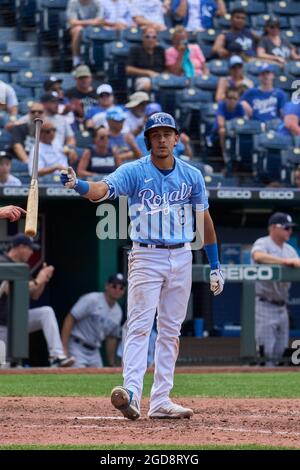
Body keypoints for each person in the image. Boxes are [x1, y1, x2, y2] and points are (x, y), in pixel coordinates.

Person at [60, 111, 224, 419]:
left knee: (171, 331)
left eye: (167, 134)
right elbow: (103, 190)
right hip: (147, 255)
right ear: (147, 140)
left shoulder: (192, 175)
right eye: (155, 134)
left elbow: (205, 220)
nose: (162, 139)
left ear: (177, 138)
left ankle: (161, 400)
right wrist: (79, 184)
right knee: (138, 326)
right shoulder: (134, 171)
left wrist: (215, 264)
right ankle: (131, 392)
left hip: (182, 254)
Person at [0, 234, 75, 367]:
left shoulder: (22, 266)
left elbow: (34, 294)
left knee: (46, 312)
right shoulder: (3, 261)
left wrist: (44, 278)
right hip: (2, 326)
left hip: (17, 323)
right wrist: (39, 279)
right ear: (21, 247)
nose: (32, 252)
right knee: (6, 367)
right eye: (30, 248)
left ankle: (56, 356)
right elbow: (11, 289)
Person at [251, 213, 300, 366]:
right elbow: (258, 256)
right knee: (266, 354)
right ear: (273, 228)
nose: (289, 231)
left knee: (281, 354)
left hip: (282, 307)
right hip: (264, 305)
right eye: (286, 228)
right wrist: (285, 262)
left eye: (291, 228)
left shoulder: (290, 249)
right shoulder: (263, 243)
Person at [61, 273, 125, 367]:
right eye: (114, 286)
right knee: (78, 377)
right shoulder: (92, 299)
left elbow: (111, 338)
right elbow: (70, 319)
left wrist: (111, 363)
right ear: (107, 286)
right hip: (77, 345)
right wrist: (64, 349)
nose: (117, 290)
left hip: (94, 351)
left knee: (99, 378)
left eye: (121, 288)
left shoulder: (118, 312)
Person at [126, 27, 166, 92]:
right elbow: (128, 69)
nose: (151, 39)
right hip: (142, 78)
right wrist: (147, 72)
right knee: (149, 85)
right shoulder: (135, 49)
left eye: (154, 37)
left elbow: (166, 68)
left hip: (159, 78)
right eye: (147, 37)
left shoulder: (160, 50)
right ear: (142, 37)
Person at [66, 0, 104, 67]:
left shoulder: (97, 2)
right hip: (77, 28)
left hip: (93, 28)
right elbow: (73, 22)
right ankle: (76, 60)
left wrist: (87, 23)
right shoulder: (73, 2)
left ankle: (97, 61)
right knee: (78, 30)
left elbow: (100, 21)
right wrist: (91, 22)